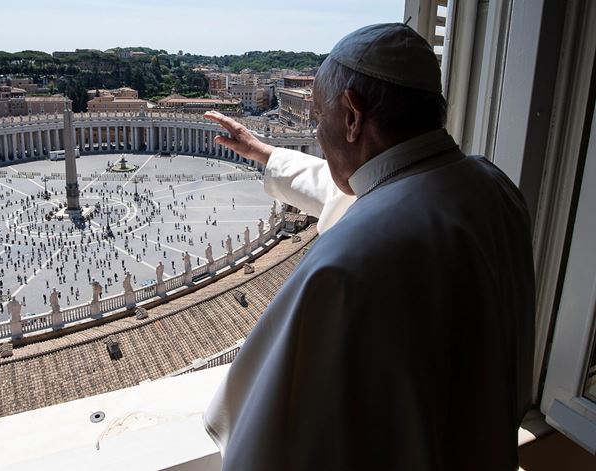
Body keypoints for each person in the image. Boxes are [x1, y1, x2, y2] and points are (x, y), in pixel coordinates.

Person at [202, 23, 534, 471]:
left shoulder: (345, 264)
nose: (317, 132)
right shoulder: (492, 186)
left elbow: (266, 437)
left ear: (353, 116)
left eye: (320, 116)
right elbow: (369, 192)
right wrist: (267, 154)